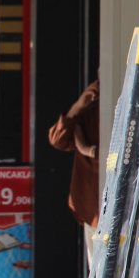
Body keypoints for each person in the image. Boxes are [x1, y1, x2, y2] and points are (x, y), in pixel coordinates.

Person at [47, 78, 100, 266]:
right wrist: (78, 106)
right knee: (98, 266)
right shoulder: (90, 107)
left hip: (122, 197)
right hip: (92, 200)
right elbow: (58, 140)